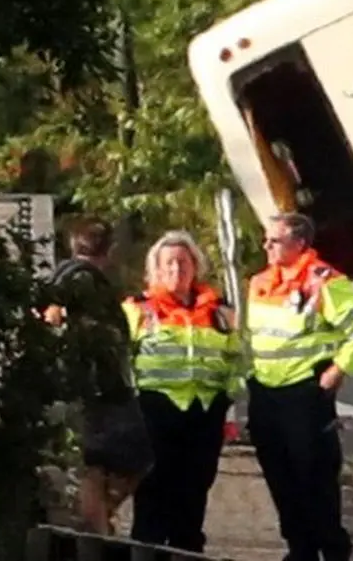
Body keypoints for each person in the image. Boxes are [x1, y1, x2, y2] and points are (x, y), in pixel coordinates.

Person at [246, 213, 353, 561]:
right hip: (266, 394)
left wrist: (338, 370)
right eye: (266, 239)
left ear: (300, 243)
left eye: (274, 241)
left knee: (316, 478)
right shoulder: (260, 283)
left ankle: (333, 550)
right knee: (280, 478)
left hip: (304, 394)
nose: (266, 246)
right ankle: (300, 550)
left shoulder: (324, 282)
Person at [123, 230, 246, 553]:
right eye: (169, 263)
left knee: (194, 492)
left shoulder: (220, 311)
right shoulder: (138, 309)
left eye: (183, 262)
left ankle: (187, 551)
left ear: (195, 266)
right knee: (152, 493)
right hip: (155, 411)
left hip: (205, 412)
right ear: (157, 270)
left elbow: (236, 361)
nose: (177, 269)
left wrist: (228, 409)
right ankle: (146, 551)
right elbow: (121, 362)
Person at [41, 216, 153, 535]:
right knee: (106, 463)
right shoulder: (81, 278)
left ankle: (97, 524)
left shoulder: (77, 277)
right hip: (93, 391)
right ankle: (96, 529)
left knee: (102, 465)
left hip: (97, 388)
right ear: (111, 250)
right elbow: (51, 306)